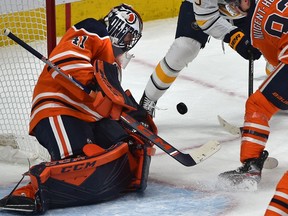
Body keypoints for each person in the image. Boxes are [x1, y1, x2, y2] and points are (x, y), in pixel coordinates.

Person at [0, 4, 157, 213]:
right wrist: (93, 85)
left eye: (131, 40)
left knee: (128, 144)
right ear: (117, 26)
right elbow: (66, 60)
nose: (128, 43)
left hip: (88, 118)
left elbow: (111, 101)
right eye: (127, 36)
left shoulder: (114, 65)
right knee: (77, 164)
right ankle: (31, 191)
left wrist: (133, 114)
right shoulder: (94, 29)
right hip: (57, 108)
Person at [139, 0, 262, 117]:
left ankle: (276, 89)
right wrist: (236, 39)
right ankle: (148, 101)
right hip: (202, 9)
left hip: (246, 9)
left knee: (272, 34)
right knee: (184, 48)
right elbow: (207, 19)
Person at [218, 0, 288, 199]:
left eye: (234, 5)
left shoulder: (253, 25)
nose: (234, 10)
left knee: (258, 104)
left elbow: (276, 61)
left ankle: (250, 167)